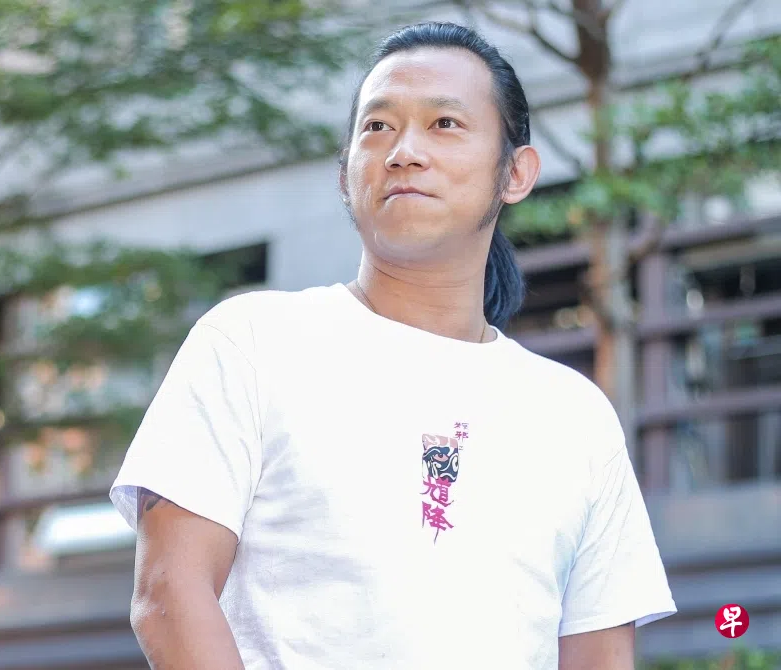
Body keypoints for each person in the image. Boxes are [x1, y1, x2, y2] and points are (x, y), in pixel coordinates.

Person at [110, 21, 676, 670]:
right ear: (345, 174)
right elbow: (168, 594)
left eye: (444, 123)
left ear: (516, 173)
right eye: (377, 127)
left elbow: (600, 656)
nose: (404, 151)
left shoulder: (575, 417)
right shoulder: (251, 343)